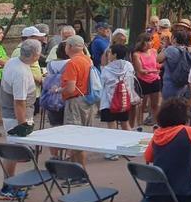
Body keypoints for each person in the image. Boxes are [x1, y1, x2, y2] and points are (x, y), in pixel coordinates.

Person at [0, 39, 42, 200]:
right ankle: (8, 187)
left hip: (12, 115)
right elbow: (19, 103)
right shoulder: (21, 73)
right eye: (39, 51)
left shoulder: (13, 62)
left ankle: (10, 184)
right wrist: (23, 124)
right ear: (35, 54)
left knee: (14, 153)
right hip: (16, 118)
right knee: (14, 153)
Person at [58, 35, 95, 167]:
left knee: (73, 138)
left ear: (71, 47)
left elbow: (70, 88)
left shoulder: (73, 63)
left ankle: (78, 172)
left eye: (66, 45)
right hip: (87, 100)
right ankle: (79, 170)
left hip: (75, 101)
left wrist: (57, 90)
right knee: (82, 137)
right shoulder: (87, 60)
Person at [99, 44, 139, 149]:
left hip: (109, 102)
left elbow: (101, 85)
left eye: (110, 52)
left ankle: (112, 150)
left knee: (111, 127)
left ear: (115, 55)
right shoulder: (129, 66)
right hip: (124, 100)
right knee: (125, 124)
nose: (108, 54)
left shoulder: (106, 69)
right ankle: (131, 146)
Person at [132, 32, 162, 128]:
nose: (151, 42)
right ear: (142, 42)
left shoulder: (154, 51)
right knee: (142, 105)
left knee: (155, 104)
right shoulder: (136, 54)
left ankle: (157, 123)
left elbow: (156, 64)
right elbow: (140, 70)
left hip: (155, 80)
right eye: (148, 40)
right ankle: (139, 124)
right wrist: (154, 71)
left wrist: (164, 65)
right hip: (143, 81)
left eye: (151, 40)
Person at [159, 29, 191, 100]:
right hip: (183, 85)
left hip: (170, 85)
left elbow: (158, 59)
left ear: (174, 39)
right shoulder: (187, 50)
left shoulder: (170, 50)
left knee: (168, 107)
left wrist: (164, 47)